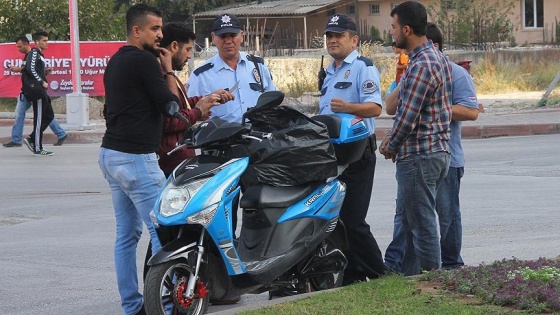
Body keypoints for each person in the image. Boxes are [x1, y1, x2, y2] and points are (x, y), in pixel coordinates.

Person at [97, 4, 180, 315]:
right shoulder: (146, 61)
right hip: (135, 159)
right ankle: (168, 308)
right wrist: (169, 67)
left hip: (110, 155)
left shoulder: (116, 60)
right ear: (137, 31)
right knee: (165, 234)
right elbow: (169, 105)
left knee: (126, 236)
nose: (161, 34)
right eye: (155, 29)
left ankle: (132, 308)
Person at [383, 23, 479, 273]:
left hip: (442, 153)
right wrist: (405, 76)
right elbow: (391, 108)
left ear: (433, 45)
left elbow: (470, 111)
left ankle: (449, 266)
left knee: (444, 217)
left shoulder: (456, 73)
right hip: (414, 154)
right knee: (407, 217)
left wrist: (432, 108)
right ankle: (404, 269)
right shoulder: (415, 70)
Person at [379, 1, 453, 276]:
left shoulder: (423, 64)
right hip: (433, 152)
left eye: (394, 26)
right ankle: (408, 277)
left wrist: (390, 144)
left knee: (422, 225)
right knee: (411, 219)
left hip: (421, 154)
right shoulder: (435, 58)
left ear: (407, 29)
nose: (391, 32)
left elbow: (407, 115)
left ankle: (433, 282)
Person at [318, 14, 386, 285]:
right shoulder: (329, 70)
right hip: (332, 154)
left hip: (358, 154)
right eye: (329, 36)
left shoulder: (362, 67)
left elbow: (375, 108)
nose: (333, 40)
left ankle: (380, 274)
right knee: (338, 219)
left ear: (354, 40)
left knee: (353, 219)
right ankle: (353, 275)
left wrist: (348, 107)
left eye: (339, 35)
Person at [157, 22, 234, 177]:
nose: (190, 55)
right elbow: (171, 120)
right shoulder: (163, 76)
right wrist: (198, 112)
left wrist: (209, 98)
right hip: (170, 163)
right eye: (187, 49)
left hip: (179, 160)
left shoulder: (169, 75)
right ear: (174, 46)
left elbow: (181, 103)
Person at [187, 13, 277, 123]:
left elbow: (273, 99)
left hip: (258, 135)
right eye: (223, 36)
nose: (228, 41)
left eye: (233, 35)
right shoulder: (201, 75)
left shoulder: (257, 65)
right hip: (223, 138)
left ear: (242, 36)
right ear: (213, 38)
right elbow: (191, 113)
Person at [3, 35, 67, 148]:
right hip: (28, 91)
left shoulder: (33, 54)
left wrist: (42, 81)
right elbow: (30, 71)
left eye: (20, 46)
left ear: (27, 44)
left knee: (45, 114)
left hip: (34, 91)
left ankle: (55, 135)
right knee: (22, 114)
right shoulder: (29, 56)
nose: (19, 49)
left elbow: (32, 70)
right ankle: (17, 139)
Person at [21, 31, 56, 156]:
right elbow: (30, 69)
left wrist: (45, 73)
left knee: (49, 116)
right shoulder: (35, 52)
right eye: (44, 41)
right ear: (37, 42)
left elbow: (36, 70)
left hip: (41, 91)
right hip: (38, 91)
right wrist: (42, 81)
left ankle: (32, 138)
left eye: (47, 40)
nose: (47, 43)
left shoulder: (40, 54)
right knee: (39, 119)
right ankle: (37, 147)